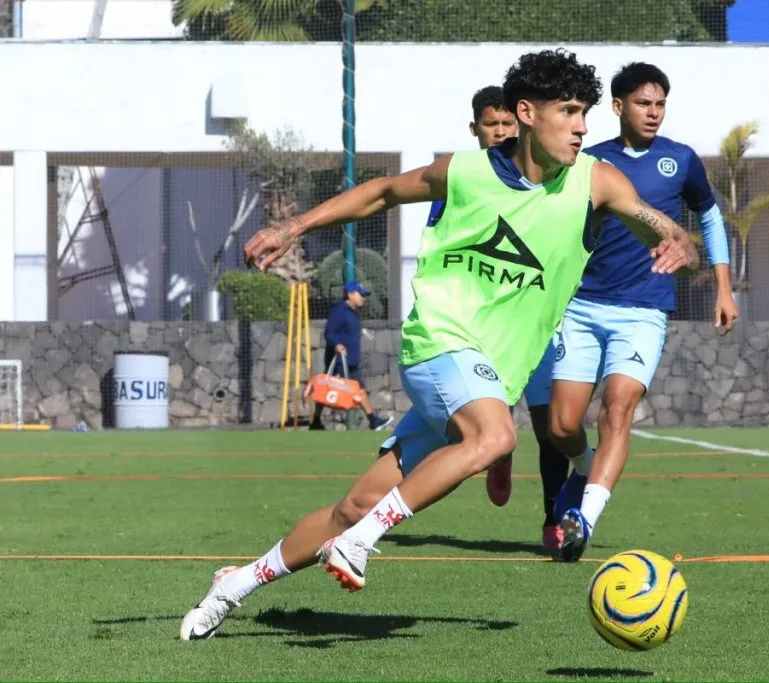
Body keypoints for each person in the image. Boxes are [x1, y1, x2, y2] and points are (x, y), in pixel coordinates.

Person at [179, 48, 698, 641]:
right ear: (527, 113)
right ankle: (361, 542)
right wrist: (291, 227)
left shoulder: (596, 182)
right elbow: (381, 192)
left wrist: (681, 243)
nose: (581, 127)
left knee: (352, 506)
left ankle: (235, 585)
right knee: (496, 436)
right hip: (439, 343)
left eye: (584, 113)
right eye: (568, 112)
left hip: (486, 376)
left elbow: (663, 229)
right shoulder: (465, 172)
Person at [547, 62, 739, 562]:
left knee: (618, 407)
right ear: (618, 106)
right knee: (561, 426)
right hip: (582, 307)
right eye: (643, 103)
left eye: (660, 104)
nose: (653, 112)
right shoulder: (588, 162)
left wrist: (723, 288)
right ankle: (585, 467)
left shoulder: (681, 159)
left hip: (644, 310)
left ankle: (585, 518)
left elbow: (710, 218)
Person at [428, 84, 569, 551]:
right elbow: (441, 251)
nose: (502, 131)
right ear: (475, 129)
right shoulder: (460, 180)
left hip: (537, 328)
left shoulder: (548, 180)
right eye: (492, 124)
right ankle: (499, 454)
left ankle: (554, 518)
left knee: (551, 427)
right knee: (487, 421)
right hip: (478, 327)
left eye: (509, 123)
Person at [309, 280, 393, 432]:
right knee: (345, 388)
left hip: (350, 360)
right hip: (340, 360)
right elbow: (329, 332)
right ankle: (373, 420)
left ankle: (316, 421)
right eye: (360, 295)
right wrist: (337, 345)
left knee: (348, 389)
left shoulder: (352, 312)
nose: (363, 298)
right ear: (350, 294)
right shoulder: (339, 311)